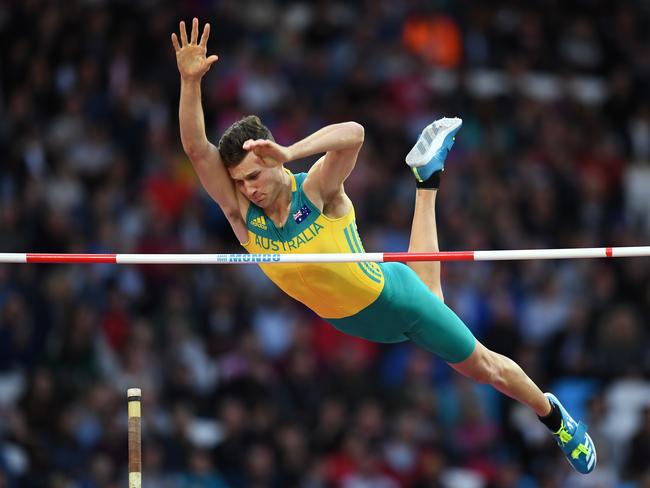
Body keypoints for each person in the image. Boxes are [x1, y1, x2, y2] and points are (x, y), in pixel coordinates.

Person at [171, 18, 597, 474]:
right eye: (240, 181)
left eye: (255, 175)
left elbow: (354, 134)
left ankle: (555, 418)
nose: (249, 188)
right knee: (432, 290)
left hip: (393, 298)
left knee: (483, 367)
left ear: (273, 160)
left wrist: (291, 151)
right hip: (361, 324)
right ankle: (427, 180)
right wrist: (190, 82)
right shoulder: (241, 216)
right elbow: (198, 149)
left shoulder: (313, 191)